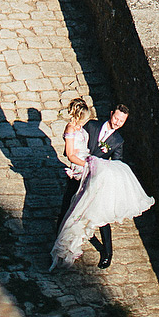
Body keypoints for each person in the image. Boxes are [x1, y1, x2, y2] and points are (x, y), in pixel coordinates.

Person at [50, 104, 154, 270]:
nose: (117, 122)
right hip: (77, 174)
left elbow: (117, 164)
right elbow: (74, 140)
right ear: (111, 114)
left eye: (121, 121)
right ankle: (58, 247)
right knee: (66, 209)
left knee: (100, 217)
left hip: (96, 180)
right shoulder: (92, 125)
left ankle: (107, 253)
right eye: (116, 118)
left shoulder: (118, 141)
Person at [56, 97, 92, 227]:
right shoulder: (70, 129)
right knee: (70, 200)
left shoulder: (80, 129)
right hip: (79, 167)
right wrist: (86, 165)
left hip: (85, 164)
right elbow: (70, 154)